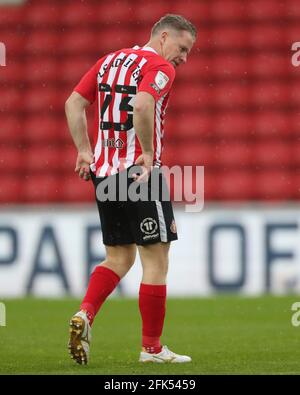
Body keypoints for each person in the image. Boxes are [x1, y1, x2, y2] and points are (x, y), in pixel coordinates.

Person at [65, 14, 196, 365]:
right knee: (156, 259)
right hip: (138, 175)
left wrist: (83, 150)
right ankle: (151, 349)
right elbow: (141, 103)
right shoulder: (160, 68)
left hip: (104, 175)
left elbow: (74, 103)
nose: (184, 58)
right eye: (182, 49)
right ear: (164, 37)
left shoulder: (108, 61)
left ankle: (85, 314)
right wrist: (149, 153)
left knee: (119, 257)